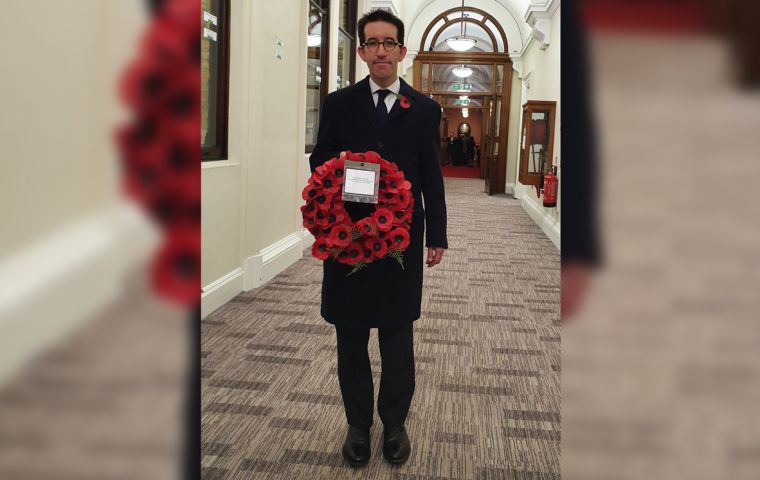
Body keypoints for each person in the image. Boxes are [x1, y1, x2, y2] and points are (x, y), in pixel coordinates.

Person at [309, 9, 447, 468]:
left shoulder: (425, 110)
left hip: (400, 243)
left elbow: (431, 176)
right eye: (372, 42)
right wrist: (350, 169)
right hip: (348, 237)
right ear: (363, 51)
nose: (381, 50)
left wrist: (438, 235)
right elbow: (320, 161)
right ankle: (357, 426)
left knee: (396, 335)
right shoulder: (339, 104)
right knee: (350, 335)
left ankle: (394, 423)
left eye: (389, 42)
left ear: (402, 50)